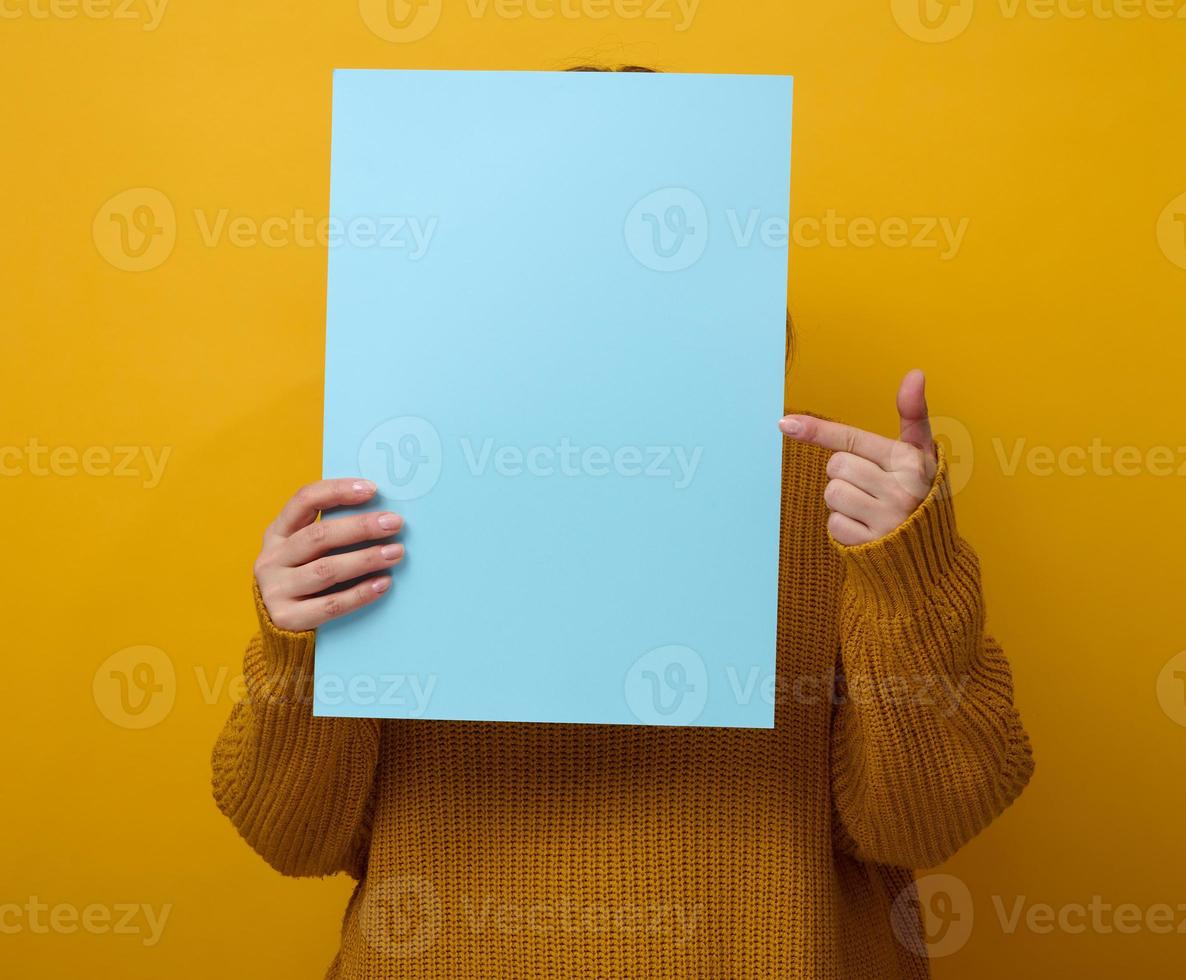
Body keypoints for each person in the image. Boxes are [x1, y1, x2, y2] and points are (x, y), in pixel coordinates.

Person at [211, 66, 1033, 980]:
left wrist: (905, 582)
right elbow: (293, 836)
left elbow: (927, 822)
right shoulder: (391, 503)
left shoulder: (847, 514)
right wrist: (294, 645)